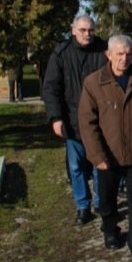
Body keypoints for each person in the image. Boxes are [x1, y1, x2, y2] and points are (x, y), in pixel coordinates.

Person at [78, 35, 132, 259]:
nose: (124, 59)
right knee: (107, 199)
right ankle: (110, 229)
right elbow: (87, 123)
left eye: (128, 54)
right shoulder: (94, 83)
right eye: (119, 54)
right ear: (109, 55)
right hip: (108, 154)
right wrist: (97, 156)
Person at [43, 15, 107, 225]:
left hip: (99, 120)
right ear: (73, 31)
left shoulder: (103, 50)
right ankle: (82, 206)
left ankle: (101, 201)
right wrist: (56, 117)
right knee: (76, 167)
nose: (87, 34)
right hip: (72, 119)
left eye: (90, 30)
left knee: (100, 163)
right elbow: (51, 87)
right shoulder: (61, 54)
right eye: (83, 30)